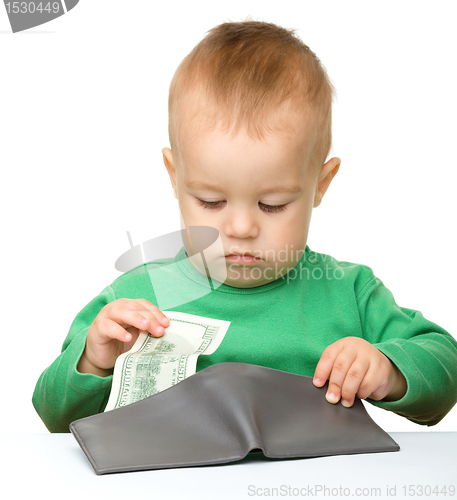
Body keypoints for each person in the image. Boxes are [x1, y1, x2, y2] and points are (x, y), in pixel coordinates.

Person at [33, 20, 457, 433]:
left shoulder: (347, 293)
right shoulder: (135, 302)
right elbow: (51, 413)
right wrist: (94, 359)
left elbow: (445, 366)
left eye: (272, 205)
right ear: (174, 178)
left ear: (320, 185)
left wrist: (389, 370)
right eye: (211, 201)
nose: (239, 227)